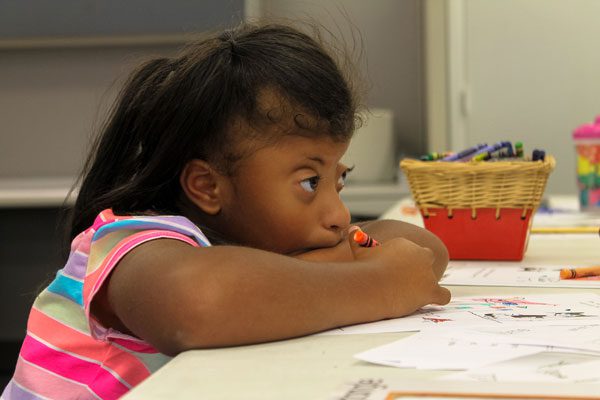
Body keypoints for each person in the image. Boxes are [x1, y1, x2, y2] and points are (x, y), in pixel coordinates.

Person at [2, 21, 450, 400]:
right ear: (208, 187)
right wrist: (377, 284)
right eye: (309, 182)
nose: (337, 213)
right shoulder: (133, 242)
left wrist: (360, 268)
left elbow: (423, 251)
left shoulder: (253, 236)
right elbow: (200, 305)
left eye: (339, 178)